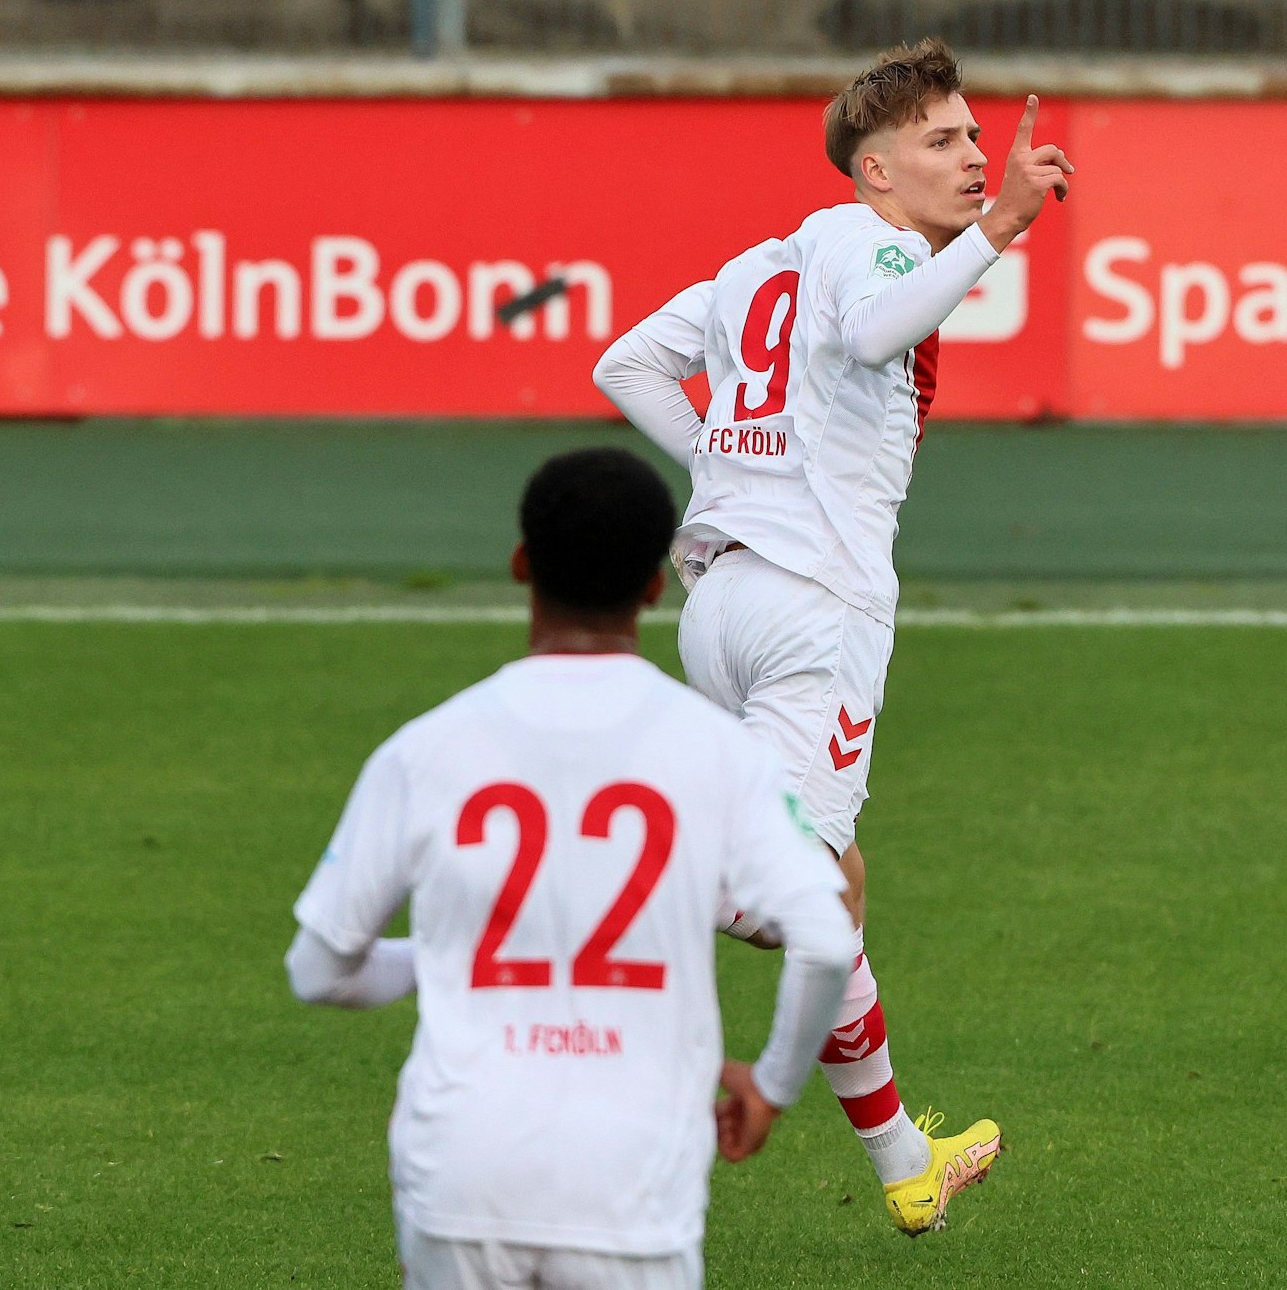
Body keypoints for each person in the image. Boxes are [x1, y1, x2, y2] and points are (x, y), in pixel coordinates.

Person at [591, 37, 1072, 1234]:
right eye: (942, 141)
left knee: (836, 885)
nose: (970, 157)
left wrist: (718, 462)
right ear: (873, 168)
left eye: (972, 137)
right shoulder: (870, 243)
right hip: (817, 612)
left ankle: (909, 1163)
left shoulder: (764, 265)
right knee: (792, 888)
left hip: (726, 605)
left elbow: (627, 361)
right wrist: (997, 229)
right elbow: (869, 333)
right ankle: (577, 896)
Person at [284, 447, 859, 1290]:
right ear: (656, 587)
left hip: (460, 1170)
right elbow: (825, 936)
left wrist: (449, 952)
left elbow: (317, 968)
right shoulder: (724, 757)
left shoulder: (426, 747)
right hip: (632, 1179)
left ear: (522, 564)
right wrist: (771, 1084)